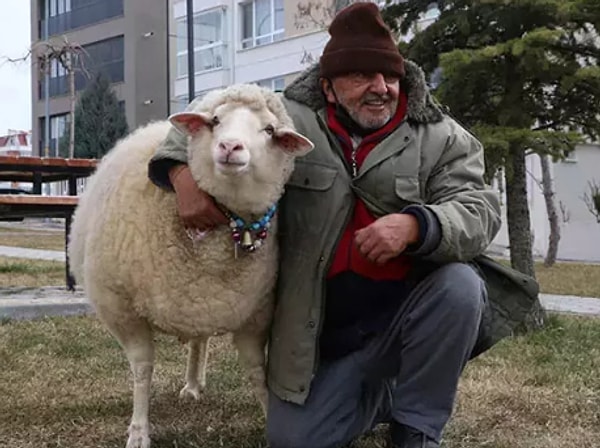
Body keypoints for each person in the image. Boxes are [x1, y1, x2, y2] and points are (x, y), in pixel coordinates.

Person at [148, 3, 537, 447]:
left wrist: (417, 225)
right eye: (362, 76)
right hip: (321, 332)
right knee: (293, 441)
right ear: (328, 87)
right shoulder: (286, 116)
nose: (381, 88)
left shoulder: (439, 135)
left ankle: (417, 426)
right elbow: (202, 117)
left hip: (405, 314)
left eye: (390, 76)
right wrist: (182, 177)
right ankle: (379, 395)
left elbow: (479, 207)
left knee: (460, 286)